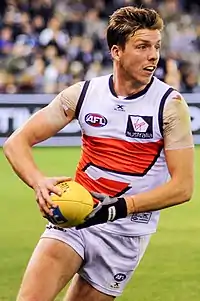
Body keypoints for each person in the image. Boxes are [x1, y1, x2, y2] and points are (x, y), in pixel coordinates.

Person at [3, 6, 194, 301]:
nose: (153, 55)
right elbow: (16, 142)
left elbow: (182, 188)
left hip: (125, 235)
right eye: (142, 47)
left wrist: (118, 208)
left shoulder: (171, 105)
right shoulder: (83, 94)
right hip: (75, 219)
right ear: (116, 51)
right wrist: (39, 182)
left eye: (156, 46)